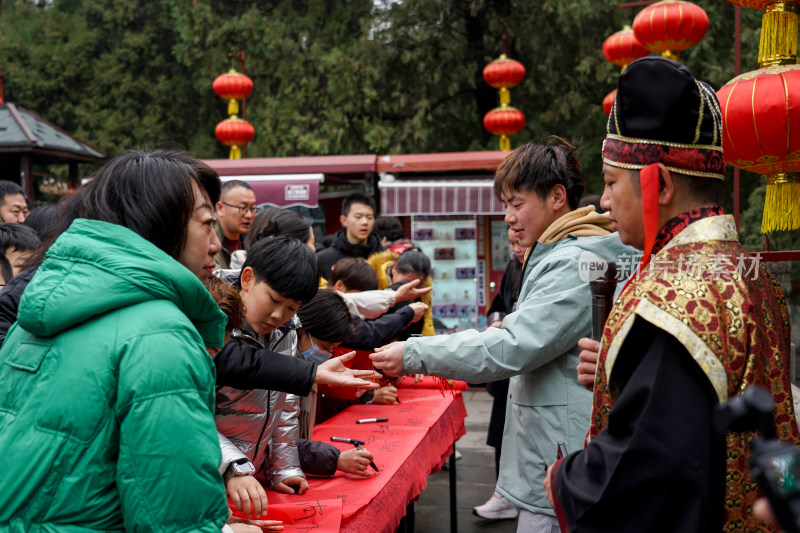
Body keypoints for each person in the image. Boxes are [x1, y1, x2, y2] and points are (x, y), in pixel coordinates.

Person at [546, 57, 800, 533]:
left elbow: (654, 465)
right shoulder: (753, 273)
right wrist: (622, 372)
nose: (602, 201)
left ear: (657, 182)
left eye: (609, 181)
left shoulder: (670, 297)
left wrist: (567, 479)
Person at [371, 138, 635, 532]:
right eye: (504, 205)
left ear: (557, 197)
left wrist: (412, 352)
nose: (508, 217)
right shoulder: (563, 252)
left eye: (516, 203)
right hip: (557, 450)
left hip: (560, 458)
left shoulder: (575, 261)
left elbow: (512, 346)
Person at [0, 150, 264, 532]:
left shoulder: (41, 310)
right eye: (207, 223)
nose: (214, 243)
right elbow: (172, 519)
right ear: (161, 224)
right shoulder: (161, 335)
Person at [215, 237, 319, 505]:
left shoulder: (286, 331)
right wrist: (233, 467)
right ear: (247, 279)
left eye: (291, 308)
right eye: (274, 300)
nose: (278, 315)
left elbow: (286, 405)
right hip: (206, 478)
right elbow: (188, 414)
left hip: (249, 483)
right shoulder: (213, 327)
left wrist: (284, 468)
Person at [473, 227, 525, 521]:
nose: (516, 248)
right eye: (512, 244)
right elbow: (497, 306)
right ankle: (502, 493)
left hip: (526, 365)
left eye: (520, 242)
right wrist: (498, 322)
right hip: (505, 371)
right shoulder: (513, 266)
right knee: (500, 433)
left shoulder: (547, 266)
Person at [368, 247, 434, 338]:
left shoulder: (424, 289)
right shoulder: (371, 277)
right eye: (405, 282)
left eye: (415, 285)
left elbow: (427, 322)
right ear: (394, 269)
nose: (408, 289)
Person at [316, 192, 382, 280]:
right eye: (358, 217)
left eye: (369, 217)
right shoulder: (324, 259)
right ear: (343, 220)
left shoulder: (383, 258)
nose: (365, 222)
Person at [214, 179, 257, 269]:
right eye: (242, 208)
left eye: (253, 208)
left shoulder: (254, 239)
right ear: (220, 208)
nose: (249, 215)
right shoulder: (208, 240)